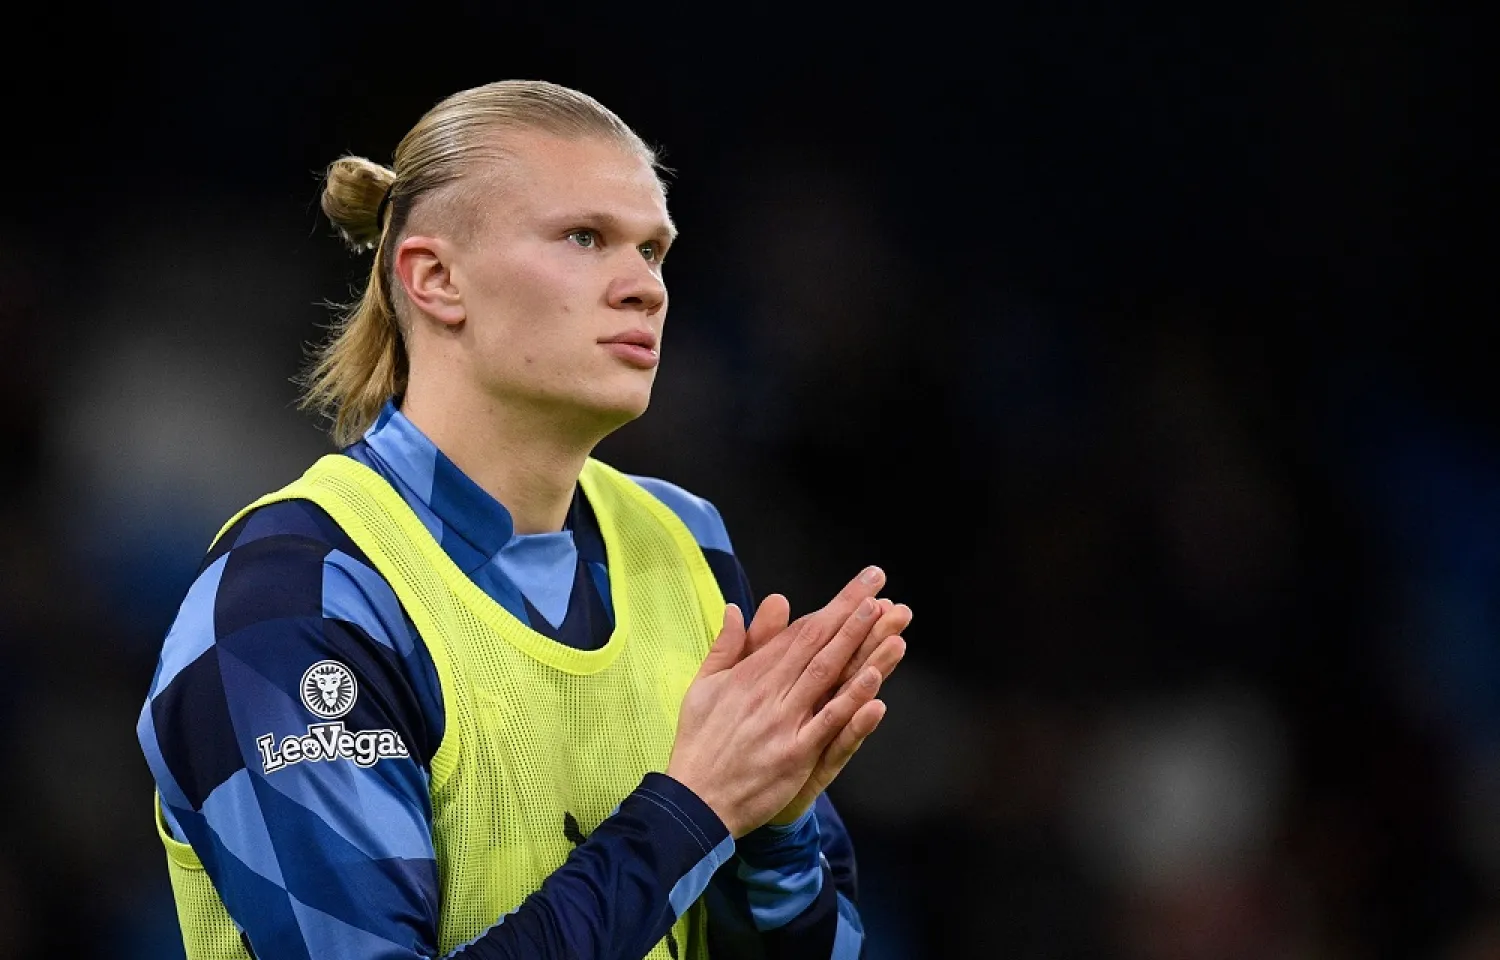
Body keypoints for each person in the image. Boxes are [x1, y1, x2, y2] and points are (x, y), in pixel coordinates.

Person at [136, 78, 912, 960]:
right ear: (434, 278)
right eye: (586, 239)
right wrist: (690, 812)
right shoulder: (288, 602)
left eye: (655, 252)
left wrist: (774, 831)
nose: (645, 290)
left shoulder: (686, 544)